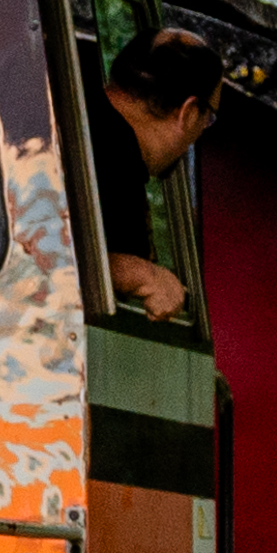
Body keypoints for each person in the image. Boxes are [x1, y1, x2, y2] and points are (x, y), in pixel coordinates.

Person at [93, 22, 218, 327]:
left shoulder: (85, 119)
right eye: (209, 117)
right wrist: (137, 274)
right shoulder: (111, 154)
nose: (203, 128)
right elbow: (42, 255)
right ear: (188, 113)